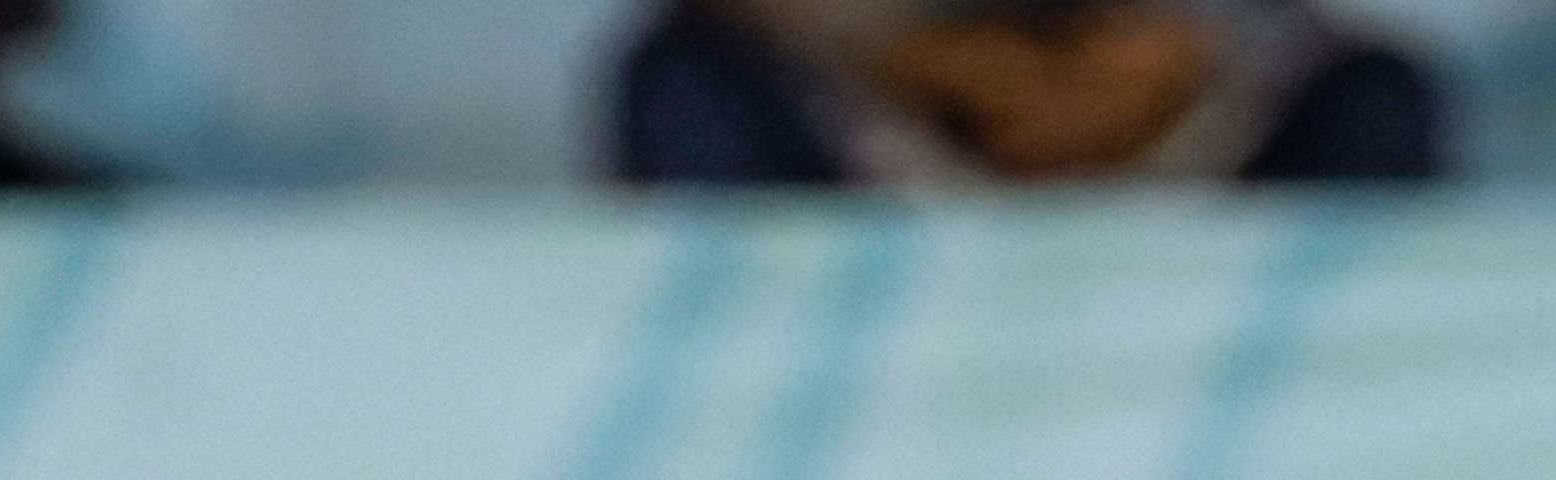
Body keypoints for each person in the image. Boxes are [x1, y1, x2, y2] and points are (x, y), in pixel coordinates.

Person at [608, 0, 1447, 185]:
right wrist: (932, 64)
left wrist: (1159, 75)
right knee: (685, 82)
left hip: (1186, 116)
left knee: (1374, 102)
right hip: (885, 108)